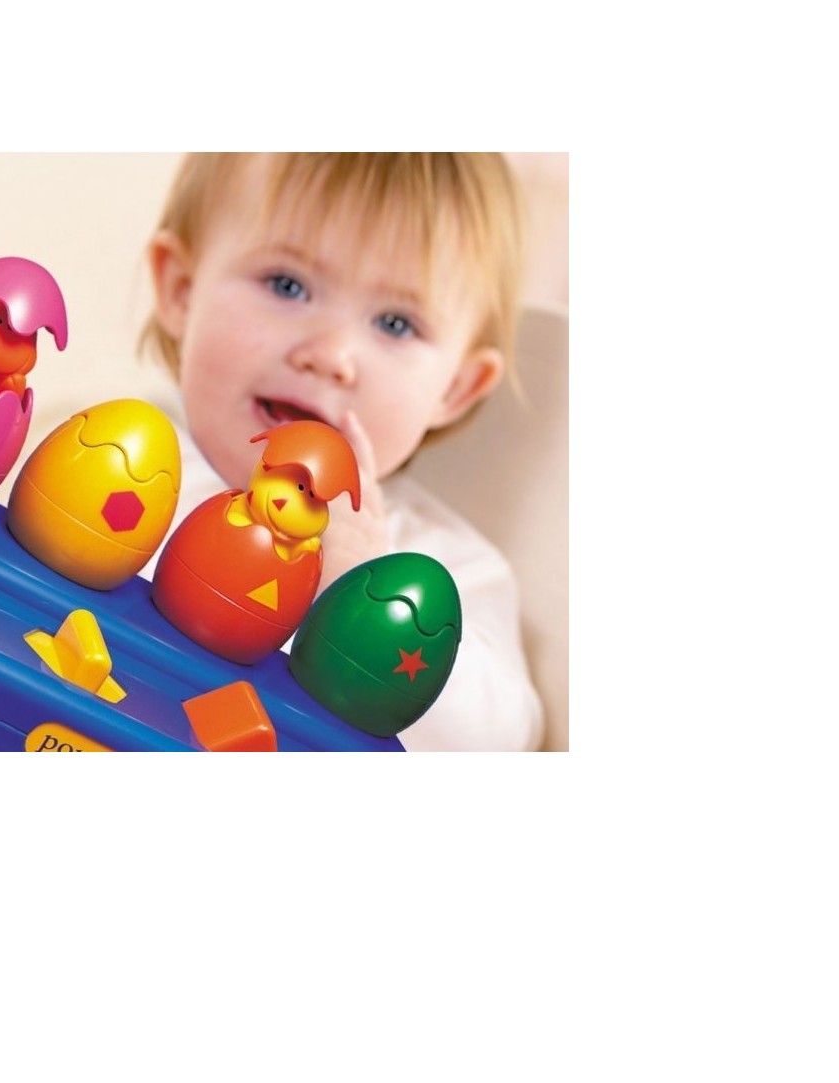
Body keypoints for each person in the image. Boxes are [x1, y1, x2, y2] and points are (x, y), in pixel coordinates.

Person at [137, 153, 544, 752]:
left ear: (456, 388)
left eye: (396, 323)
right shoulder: (122, 455)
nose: (331, 355)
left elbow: (499, 740)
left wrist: (367, 602)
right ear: (181, 290)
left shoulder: (448, 572)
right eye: (287, 285)